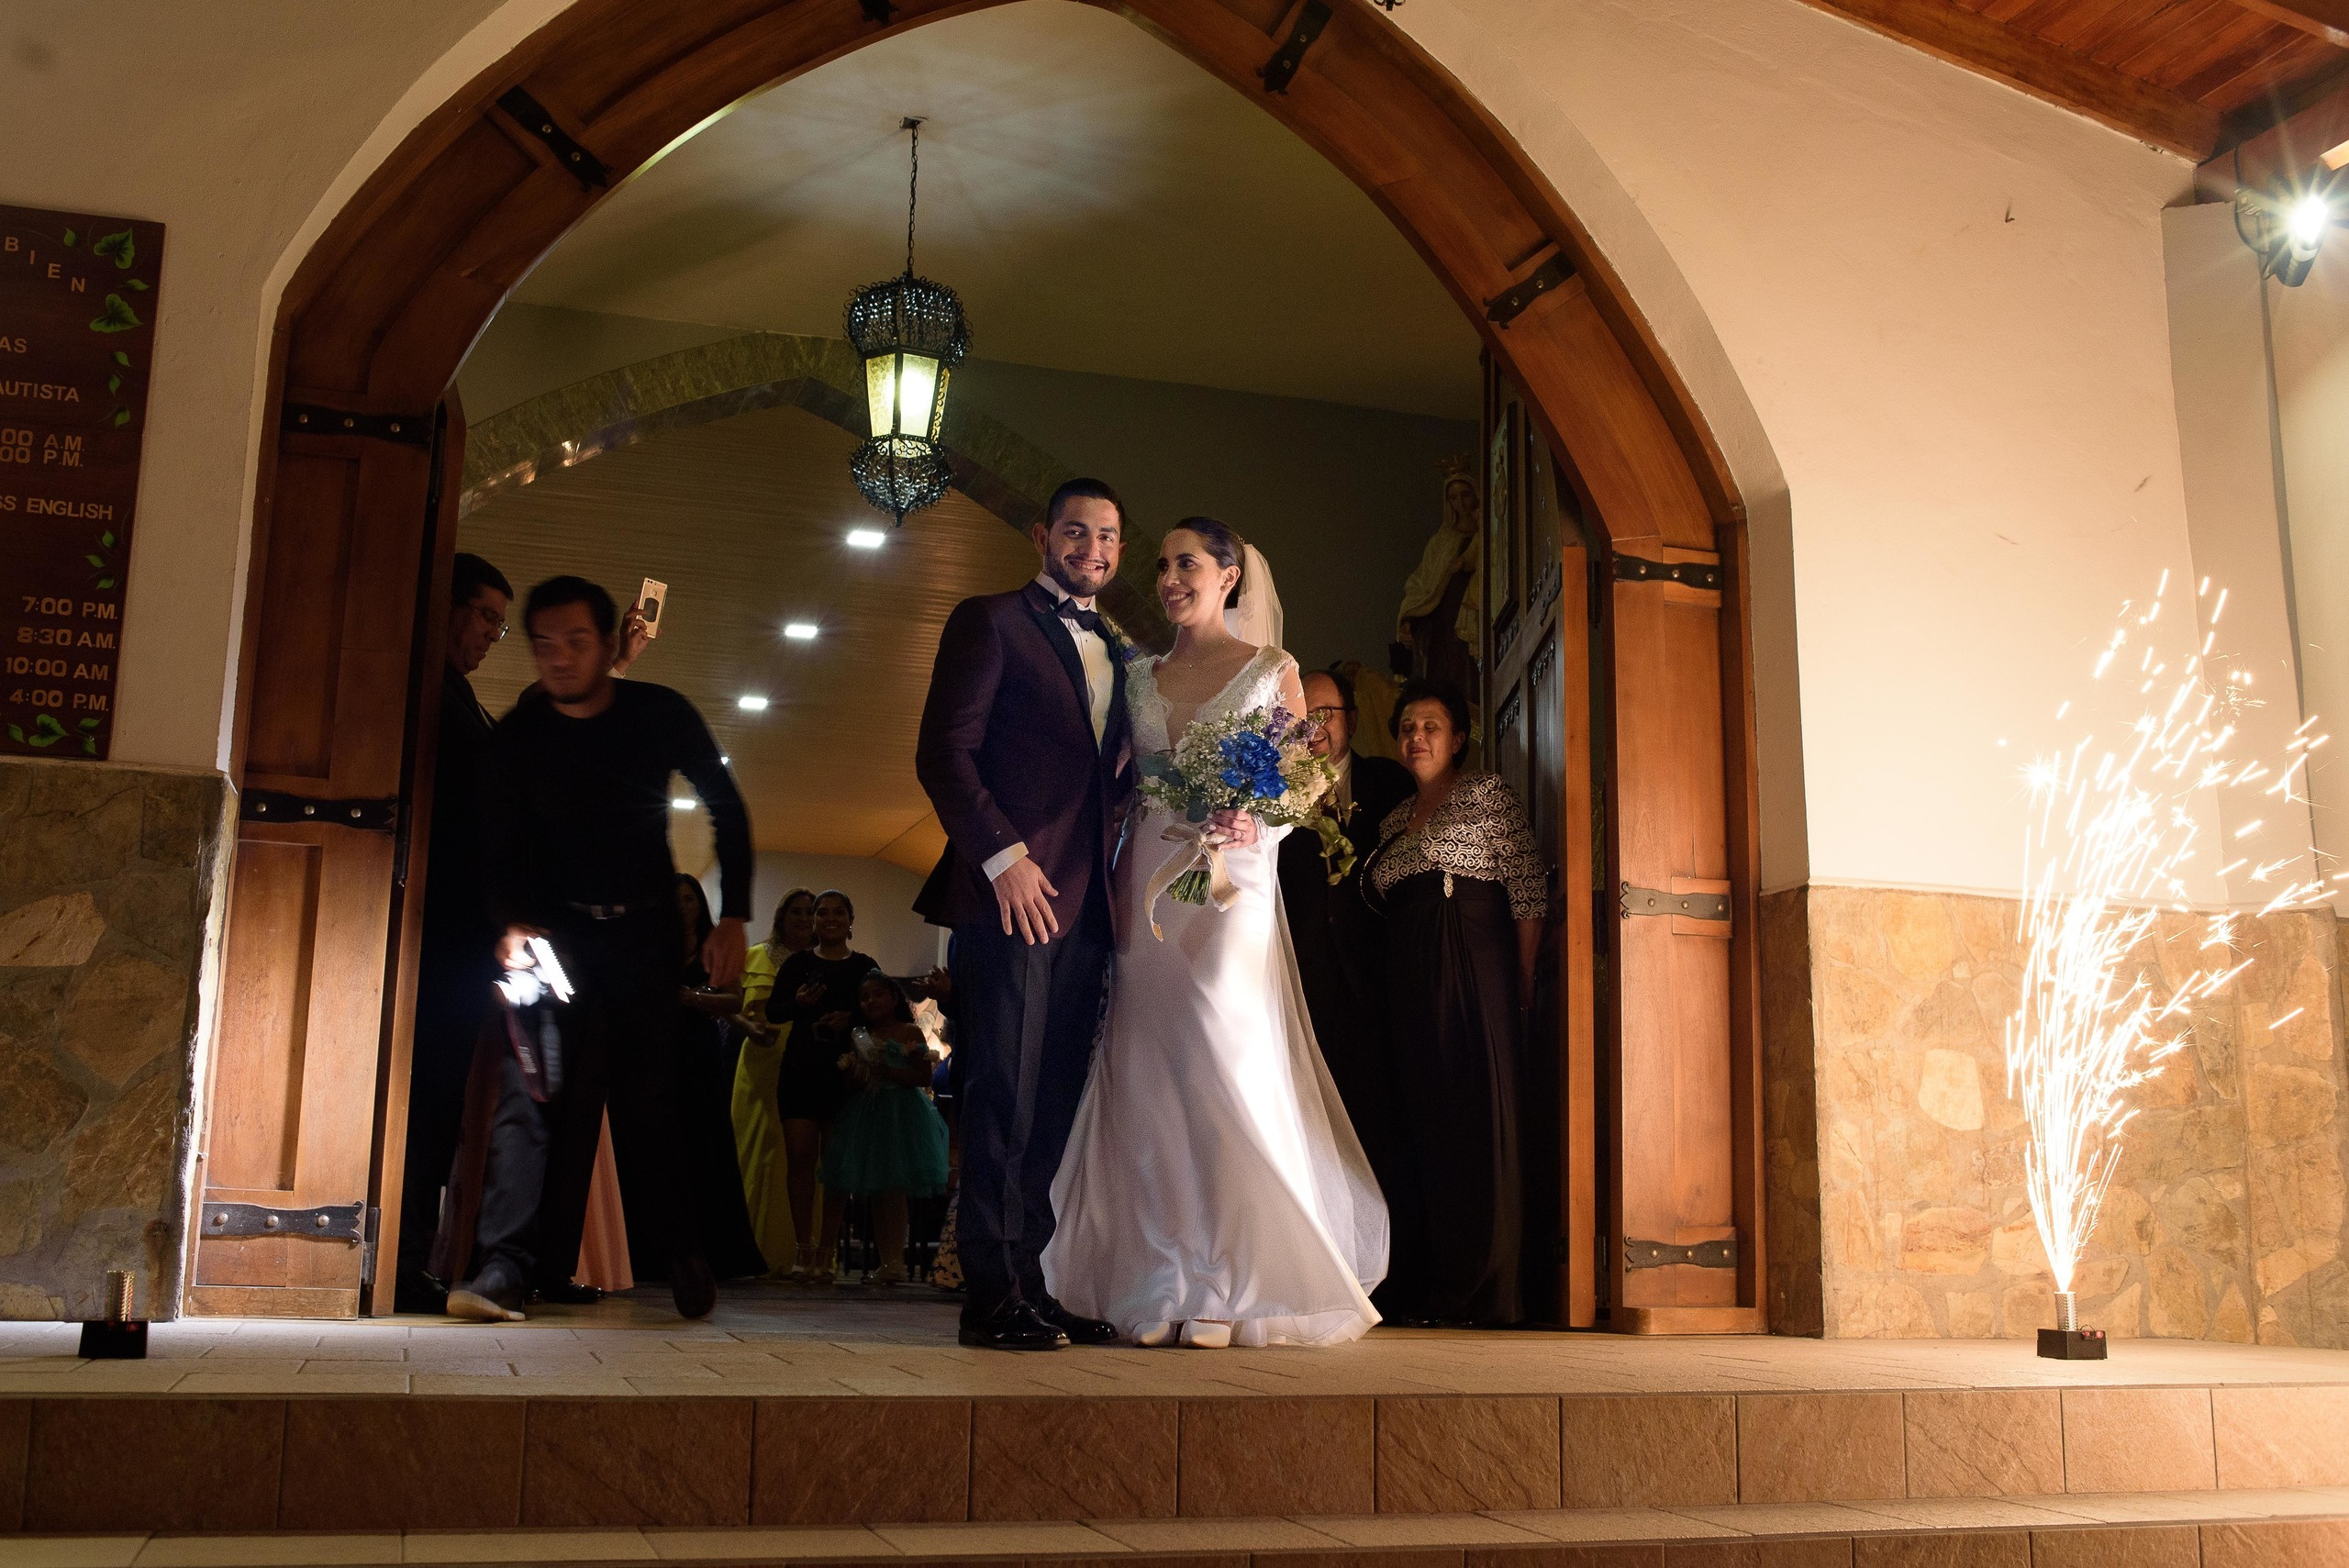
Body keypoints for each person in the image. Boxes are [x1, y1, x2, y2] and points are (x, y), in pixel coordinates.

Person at [1044, 518, 1387, 1349]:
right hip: (1149, 879)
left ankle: (1230, 1280)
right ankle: (1161, 1271)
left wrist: (1254, 821)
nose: (1169, 578)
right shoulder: (1138, 674)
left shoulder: (1272, 670)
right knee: (1151, 1069)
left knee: (1222, 1057)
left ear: (1229, 577)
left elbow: (1303, 779)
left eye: (1186, 564)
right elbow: (1116, 783)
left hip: (1234, 882)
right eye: (1162, 565)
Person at [449, 574, 753, 1323]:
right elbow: (497, 846)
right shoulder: (520, 736)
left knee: (647, 1096)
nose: (558, 657)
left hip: (645, 932)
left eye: (576, 641)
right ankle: (505, 1265)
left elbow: (725, 806)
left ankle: (681, 1250)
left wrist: (734, 916)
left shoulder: (659, 712)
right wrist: (511, 922)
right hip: (557, 938)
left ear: (609, 644)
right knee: (531, 1089)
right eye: (544, 644)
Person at [913, 476, 1135, 1351]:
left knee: (1053, 1103)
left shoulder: (1121, 652)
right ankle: (989, 1295)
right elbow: (944, 752)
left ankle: (1032, 1284)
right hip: (1009, 897)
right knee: (1000, 1094)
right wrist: (1003, 859)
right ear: (1044, 536)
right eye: (1076, 531)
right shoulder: (990, 621)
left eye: (1107, 536)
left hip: (1088, 904)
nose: (1092, 549)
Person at [1363, 679, 1545, 1326]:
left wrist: (1523, 976)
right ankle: (1437, 1286)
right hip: (1408, 976)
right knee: (1427, 1120)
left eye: (1431, 726)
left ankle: (1488, 1290)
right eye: (1407, 727)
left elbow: (1527, 885)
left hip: (1472, 967)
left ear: (1459, 738)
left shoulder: (1485, 793)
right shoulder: (1391, 820)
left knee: (1478, 1116)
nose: (1416, 736)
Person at [1274, 664, 1418, 1313]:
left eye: (1326, 714)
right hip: (1305, 979)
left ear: (1352, 721)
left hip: (1374, 978)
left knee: (1378, 1122)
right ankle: (1322, 1270)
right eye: (1303, 716)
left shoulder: (1390, 783)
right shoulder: (1275, 786)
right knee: (1310, 1126)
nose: (1315, 728)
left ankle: (1391, 1274)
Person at [395, 552, 512, 1314]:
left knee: (439, 1103)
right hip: (433, 930)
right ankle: (402, 1256)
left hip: (461, 933)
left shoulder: (459, 694)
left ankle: (411, 1253)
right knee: (425, 1097)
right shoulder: (422, 688)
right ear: (448, 604)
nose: (491, 637)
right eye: (486, 618)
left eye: (499, 626)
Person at [764, 888, 880, 1281]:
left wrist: (850, 1019)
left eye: (838, 912)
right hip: (800, 1069)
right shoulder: (797, 964)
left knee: (836, 1165)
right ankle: (804, 1248)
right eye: (822, 912)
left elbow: (886, 1012)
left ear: (850, 920)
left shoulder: (864, 966)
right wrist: (798, 1002)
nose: (830, 919)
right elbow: (774, 1011)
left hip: (842, 1075)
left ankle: (827, 1251)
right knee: (799, 1156)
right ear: (814, 921)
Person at [659, 873, 767, 1281]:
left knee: (704, 1142)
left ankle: (713, 1249)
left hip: (698, 1051)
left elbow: (735, 1000)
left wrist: (694, 998)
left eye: (689, 898)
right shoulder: (654, 946)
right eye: (676, 898)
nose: (683, 905)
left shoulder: (713, 947)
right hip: (660, 1051)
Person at [820, 973, 952, 1284]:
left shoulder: (909, 1032)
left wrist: (889, 1071)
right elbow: (849, 1084)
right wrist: (858, 1072)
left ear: (894, 998)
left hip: (899, 1114)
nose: (871, 1002)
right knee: (877, 1189)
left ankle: (895, 1261)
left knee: (894, 1188)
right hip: (867, 1110)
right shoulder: (860, 1035)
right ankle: (883, 1261)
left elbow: (923, 1077)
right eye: (865, 998)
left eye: (878, 995)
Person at [732, 888, 816, 1274]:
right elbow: (730, 1005)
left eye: (810, 912)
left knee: (798, 1156)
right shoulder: (753, 956)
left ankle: (796, 1253)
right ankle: (747, 1250)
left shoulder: (820, 962)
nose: (803, 918)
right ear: (781, 916)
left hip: (805, 1064)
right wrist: (750, 1028)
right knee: (754, 1150)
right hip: (759, 1062)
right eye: (796, 911)